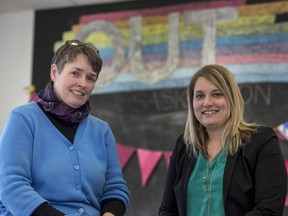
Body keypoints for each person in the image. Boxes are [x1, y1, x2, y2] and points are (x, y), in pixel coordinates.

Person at [0, 39, 129, 216]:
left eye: (90, 78)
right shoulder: (24, 119)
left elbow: (115, 189)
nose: (83, 83)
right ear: (54, 72)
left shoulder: (102, 131)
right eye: (75, 73)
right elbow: (11, 185)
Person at [158, 64, 287, 216]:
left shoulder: (262, 141)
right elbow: (167, 210)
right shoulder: (184, 145)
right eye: (199, 95)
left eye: (217, 94)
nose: (207, 102)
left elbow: (268, 210)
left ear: (232, 99)